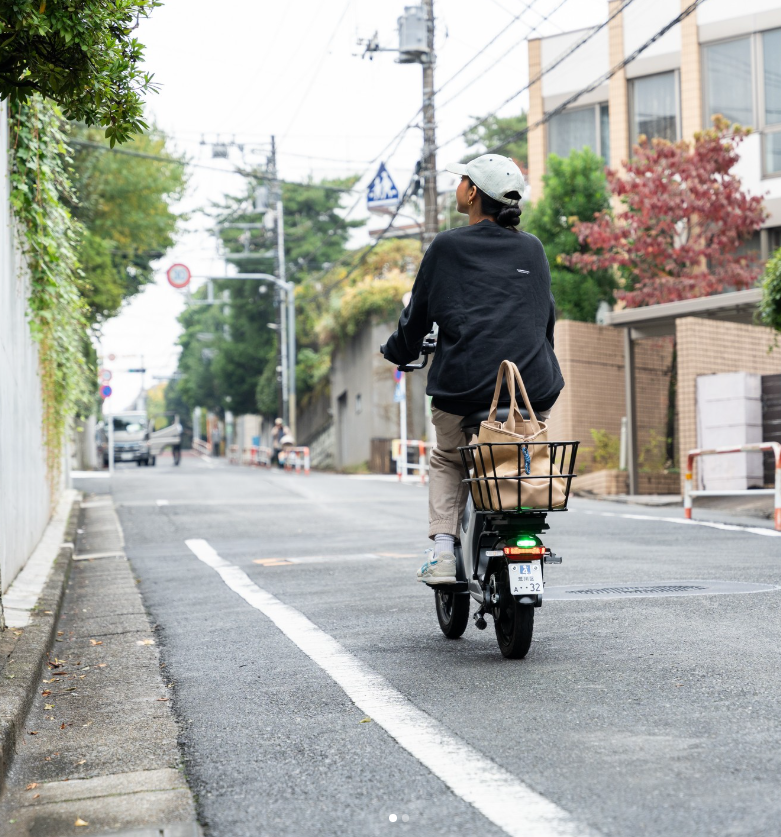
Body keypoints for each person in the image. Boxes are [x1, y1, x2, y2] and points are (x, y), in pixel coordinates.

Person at [381, 153, 564, 585]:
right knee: (520, 455)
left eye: (462, 180)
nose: (458, 186)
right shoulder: (533, 248)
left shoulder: (447, 246)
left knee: (448, 458)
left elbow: (418, 318)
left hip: (464, 391)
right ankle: (522, 528)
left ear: (474, 192)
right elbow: (545, 320)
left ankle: (443, 552)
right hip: (532, 390)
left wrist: (397, 350)